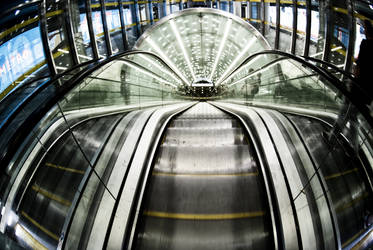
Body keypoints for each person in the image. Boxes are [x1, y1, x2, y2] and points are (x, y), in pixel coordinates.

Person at [324, 20, 373, 151]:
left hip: (358, 88)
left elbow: (358, 69)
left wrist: (352, 81)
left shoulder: (366, 44)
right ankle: (354, 148)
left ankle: (333, 139)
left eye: (364, 28)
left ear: (367, 31)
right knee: (352, 117)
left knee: (344, 113)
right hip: (368, 93)